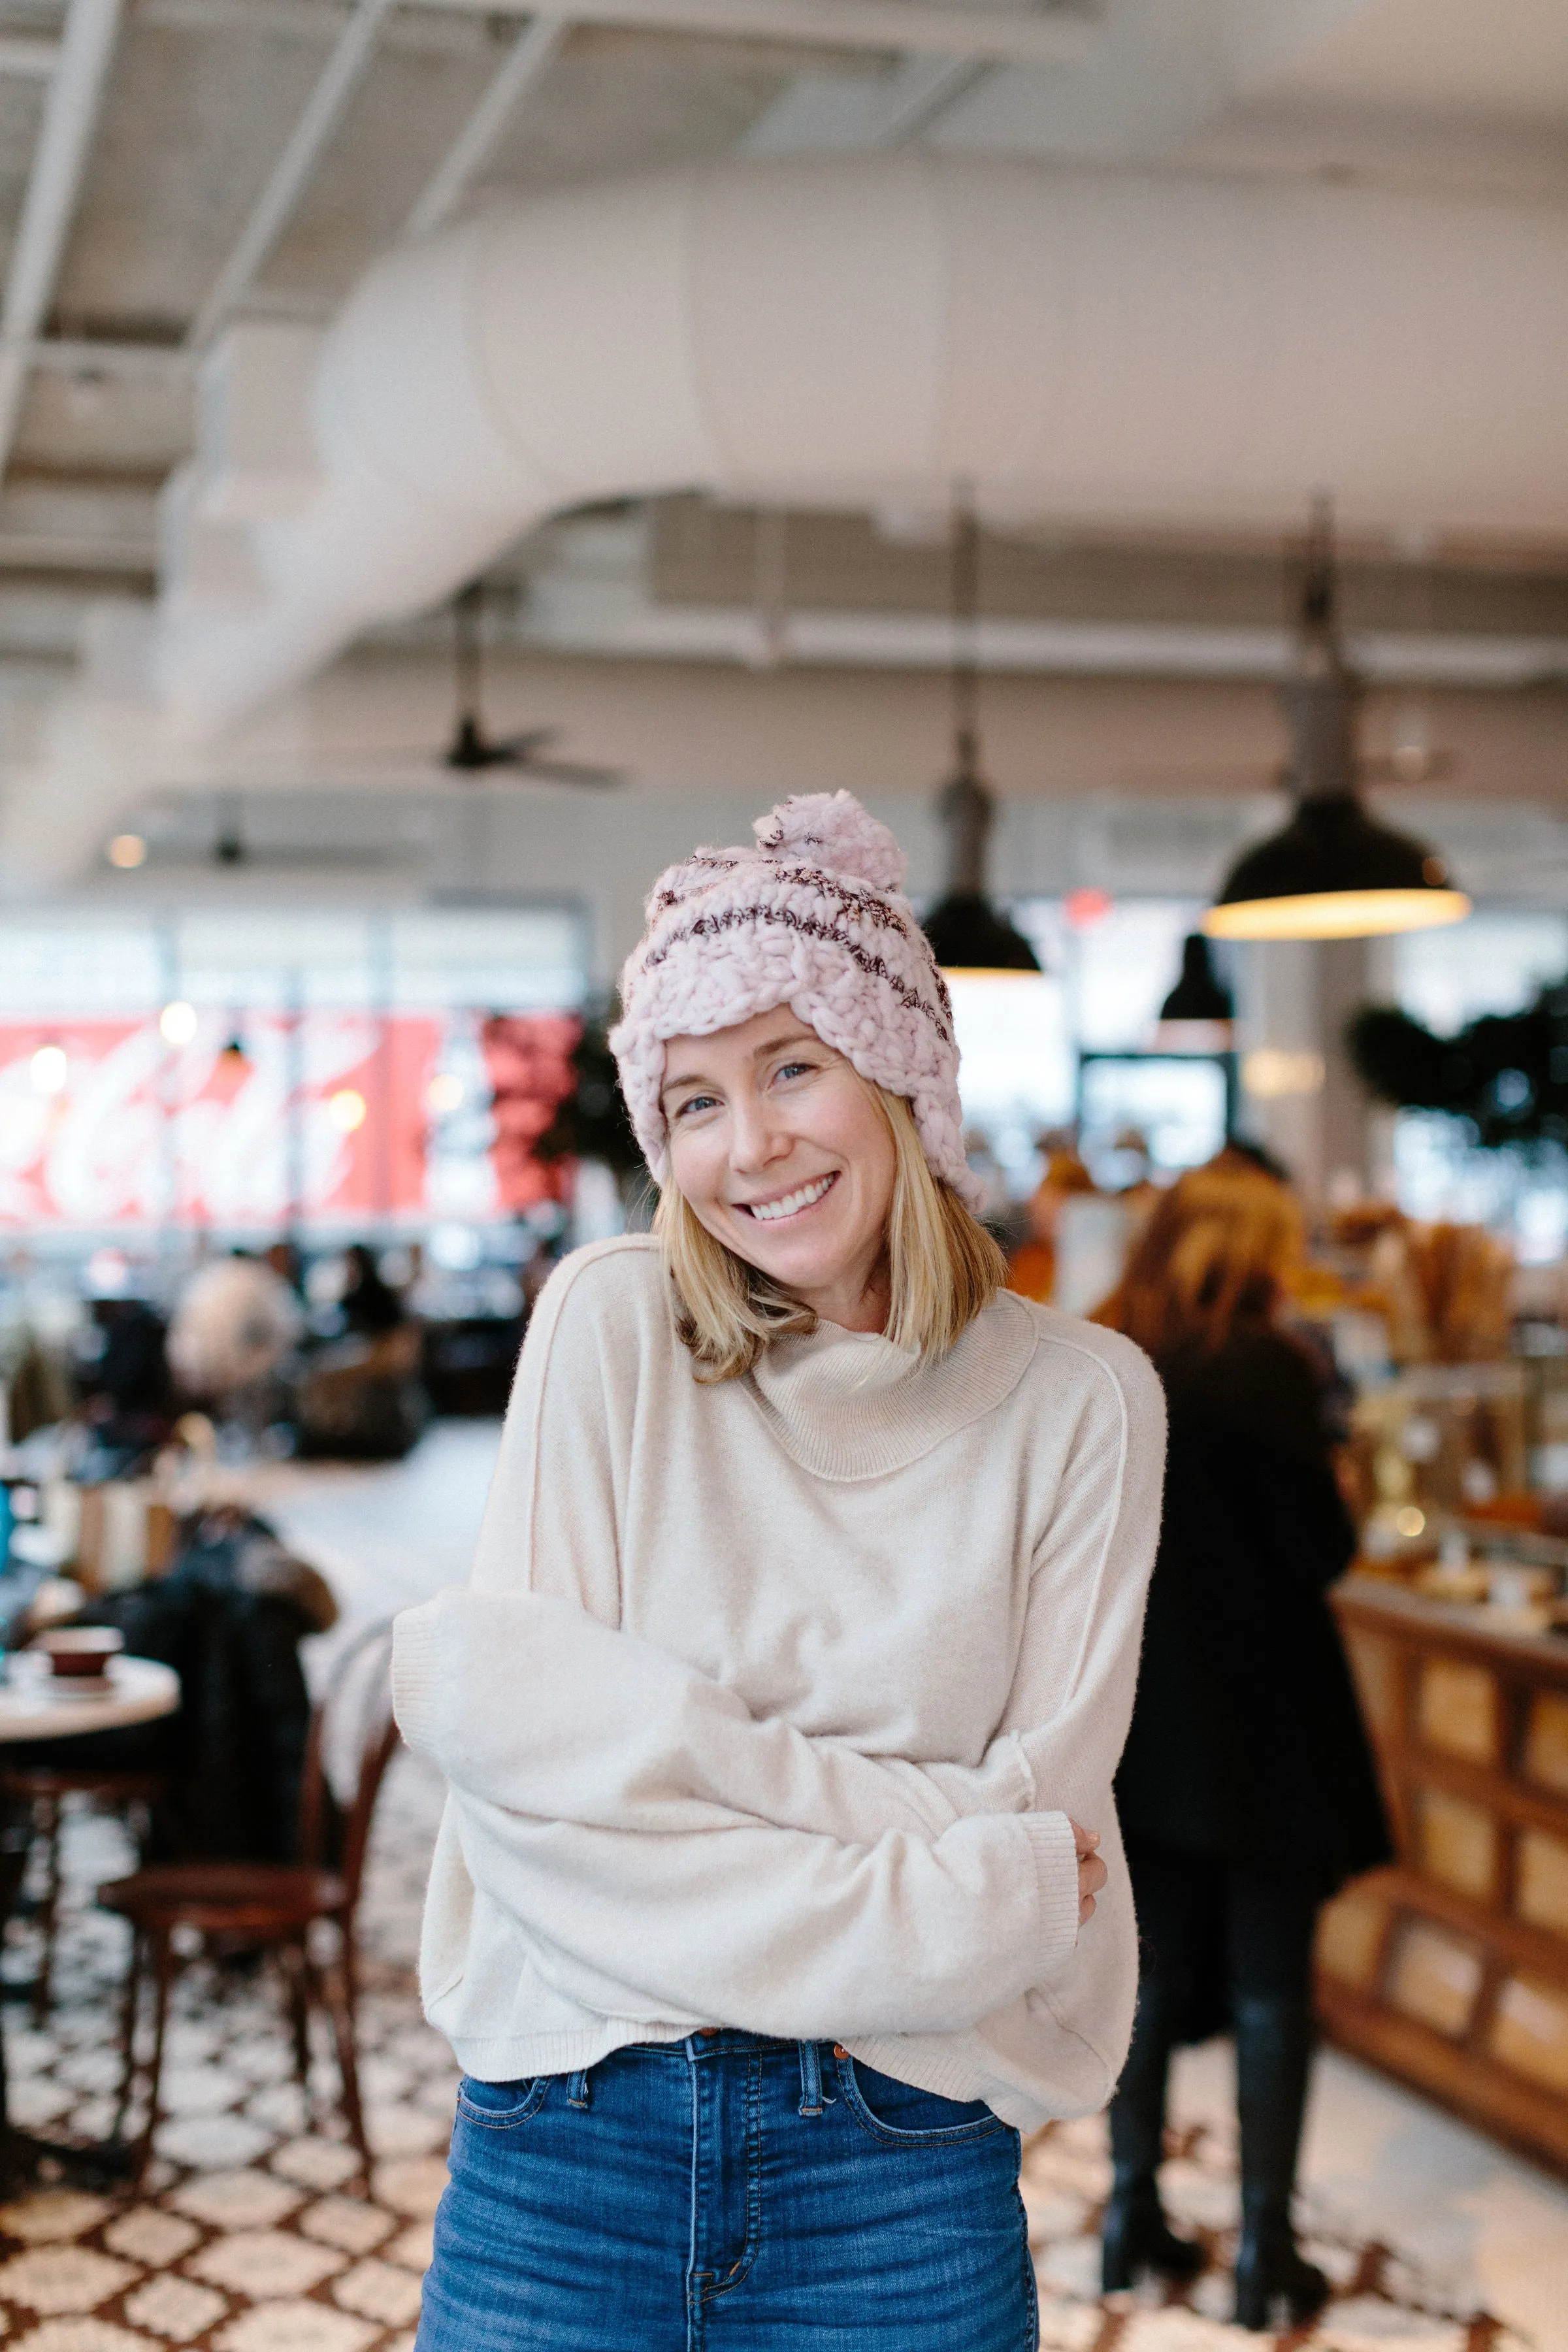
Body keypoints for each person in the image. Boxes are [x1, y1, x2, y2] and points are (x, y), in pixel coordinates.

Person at [393, 790, 1166, 2351]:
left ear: (897, 1070)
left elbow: (1046, 1844)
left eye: (791, 1068)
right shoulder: (608, 1328)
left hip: (897, 2155)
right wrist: (939, 1848)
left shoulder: (1084, 1403)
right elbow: (541, 1815)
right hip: (572, 2126)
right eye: (691, 1102)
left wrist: (685, 1769)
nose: (749, 1148)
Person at [1094, 1160, 1390, 2328]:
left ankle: (1129, 2215)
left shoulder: (1106, 1352)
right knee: (1274, 1989)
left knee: (1145, 1983)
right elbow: (1323, 1549)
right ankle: (1265, 2253)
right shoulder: (1273, 1365)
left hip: (1140, 1723)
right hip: (1268, 1728)